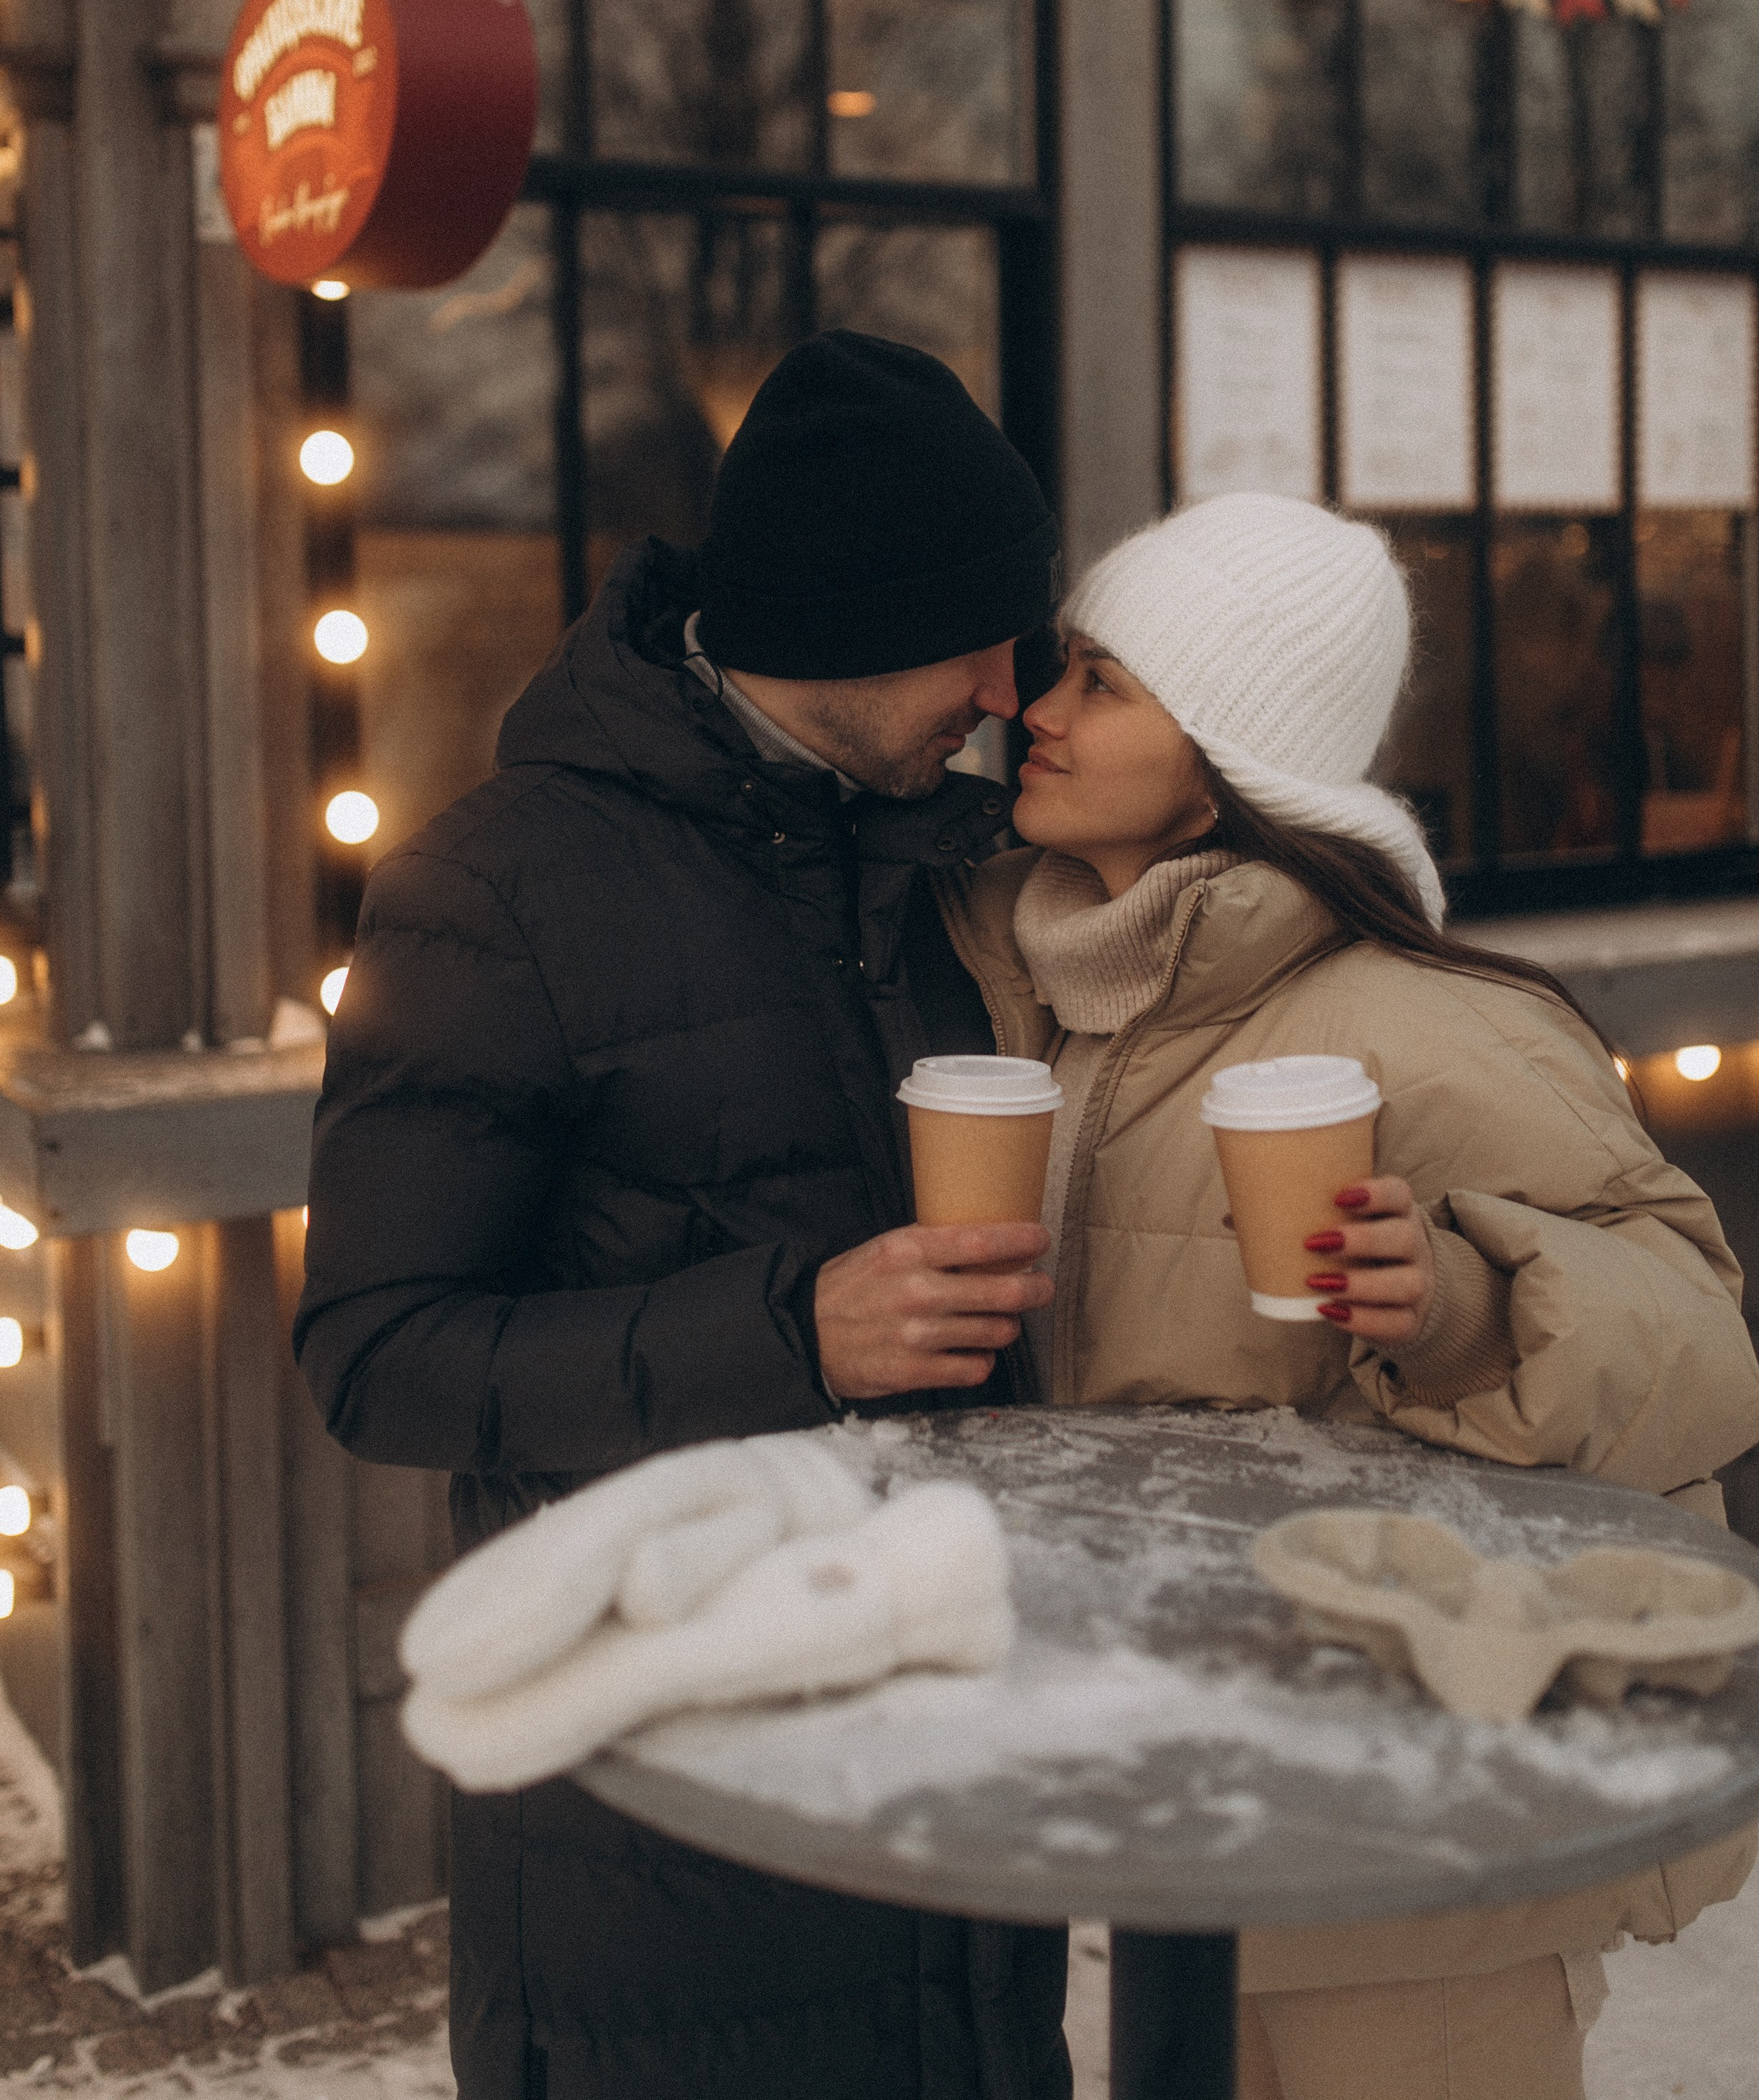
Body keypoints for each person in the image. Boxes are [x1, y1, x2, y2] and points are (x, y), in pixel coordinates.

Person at [295, 332, 1071, 2100]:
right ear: (842, 623)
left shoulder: (946, 868)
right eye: (979, 634)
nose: (1009, 689)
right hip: (664, 1858)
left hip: (951, 1801)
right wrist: (793, 1329)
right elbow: (374, 1354)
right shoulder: (491, 890)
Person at [935, 490, 1759, 2100]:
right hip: (1185, 1785)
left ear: (1229, 750)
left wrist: (1464, 1306)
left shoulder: (1425, 1026)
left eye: (1100, 680)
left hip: (1412, 1813)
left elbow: (1701, 1338)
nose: (1036, 709)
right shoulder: (1031, 996)